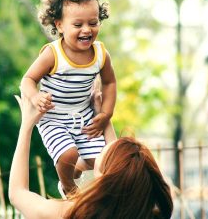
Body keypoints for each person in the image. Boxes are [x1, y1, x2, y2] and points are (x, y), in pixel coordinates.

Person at [20, 0, 117, 197]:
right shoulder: (53, 54)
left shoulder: (101, 54)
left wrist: (105, 114)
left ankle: (80, 170)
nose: (86, 30)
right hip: (53, 117)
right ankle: (69, 188)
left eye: (93, 22)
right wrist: (35, 96)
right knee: (68, 155)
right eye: (78, 24)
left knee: (100, 161)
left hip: (84, 116)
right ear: (60, 25)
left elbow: (110, 83)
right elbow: (27, 80)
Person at [9, 92, 174, 219]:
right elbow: (118, 168)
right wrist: (102, 115)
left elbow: (17, 194)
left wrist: (26, 126)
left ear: (104, 177)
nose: (101, 147)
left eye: (102, 151)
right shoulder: (146, 212)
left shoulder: (76, 212)